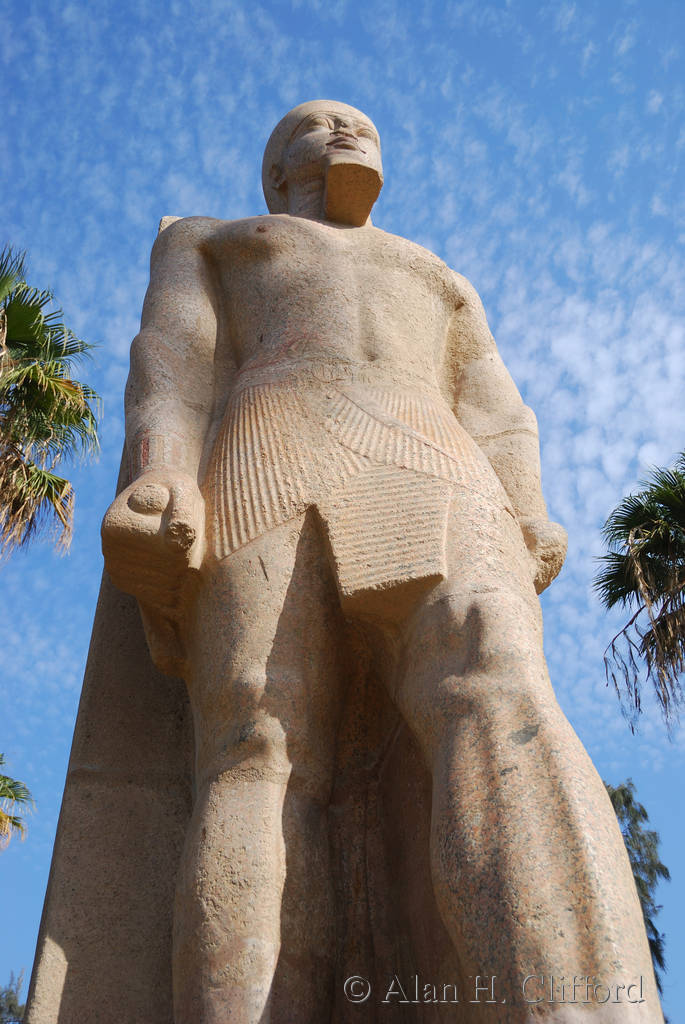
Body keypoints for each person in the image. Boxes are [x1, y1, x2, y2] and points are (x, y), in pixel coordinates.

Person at [102, 101, 661, 1022]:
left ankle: (576, 1008)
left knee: (500, 689)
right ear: (276, 172)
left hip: (432, 459)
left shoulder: (435, 273)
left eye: (358, 120)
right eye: (318, 122)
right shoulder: (214, 240)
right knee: (257, 740)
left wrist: (527, 507)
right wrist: (162, 470)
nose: (346, 129)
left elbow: (494, 403)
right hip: (268, 450)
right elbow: (172, 359)